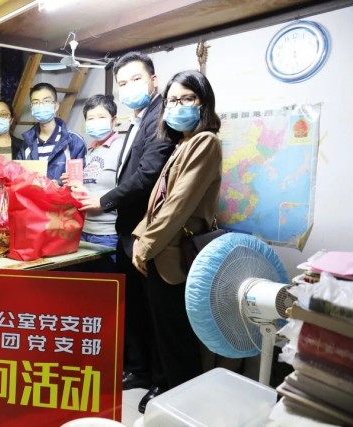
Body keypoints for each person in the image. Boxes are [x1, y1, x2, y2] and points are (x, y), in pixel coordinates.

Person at [78, 52, 176, 392]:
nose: (129, 87)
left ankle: (160, 382)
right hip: (128, 230)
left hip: (146, 231)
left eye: (136, 79)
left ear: (153, 80)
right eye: (122, 83)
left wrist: (104, 200)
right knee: (134, 306)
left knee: (152, 311)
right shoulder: (138, 120)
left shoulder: (159, 117)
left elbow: (148, 174)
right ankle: (139, 370)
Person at [132, 70, 222, 412]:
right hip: (161, 250)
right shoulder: (182, 143)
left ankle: (183, 405)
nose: (178, 106)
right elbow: (157, 202)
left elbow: (177, 206)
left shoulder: (205, 142)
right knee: (164, 331)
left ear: (203, 103)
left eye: (187, 99)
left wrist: (145, 245)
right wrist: (140, 239)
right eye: (172, 100)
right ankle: (166, 392)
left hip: (175, 253)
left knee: (177, 338)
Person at [62, 94, 122, 273]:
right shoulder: (90, 150)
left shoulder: (122, 147)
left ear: (113, 121)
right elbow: (91, 186)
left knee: (108, 285)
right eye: (91, 118)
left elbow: (127, 190)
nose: (96, 122)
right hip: (84, 230)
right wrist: (73, 184)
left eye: (101, 117)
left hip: (108, 233)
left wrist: (92, 196)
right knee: (88, 285)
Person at [16, 83, 86, 182]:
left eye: (46, 101)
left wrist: (58, 186)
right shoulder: (27, 143)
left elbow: (80, 181)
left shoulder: (74, 141)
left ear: (56, 106)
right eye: (36, 102)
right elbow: (20, 177)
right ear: (31, 108)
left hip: (63, 193)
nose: (41, 106)